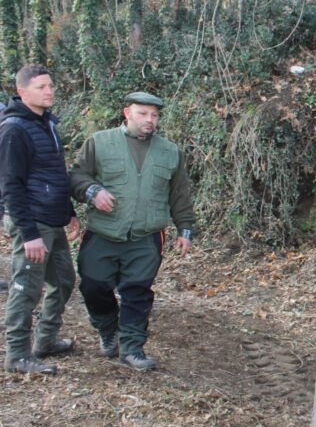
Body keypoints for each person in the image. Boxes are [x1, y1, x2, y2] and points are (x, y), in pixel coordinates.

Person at [69, 92, 195, 371]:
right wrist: (92, 191)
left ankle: (132, 348)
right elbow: (77, 176)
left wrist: (185, 229)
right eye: (143, 113)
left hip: (146, 237)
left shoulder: (169, 151)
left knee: (137, 291)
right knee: (93, 287)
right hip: (103, 232)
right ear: (127, 112)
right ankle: (107, 327)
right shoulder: (100, 143)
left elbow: (180, 195)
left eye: (155, 115)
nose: (150, 120)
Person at [0, 65, 81, 374]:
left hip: (52, 219)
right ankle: (17, 355)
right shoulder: (14, 129)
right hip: (33, 223)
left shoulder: (46, 123)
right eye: (42, 87)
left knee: (63, 280)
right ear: (22, 93)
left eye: (51, 85)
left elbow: (53, 174)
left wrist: (69, 211)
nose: (49, 91)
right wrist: (29, 233)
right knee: (26, 287)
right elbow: (10, 185)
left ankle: (45, 340)